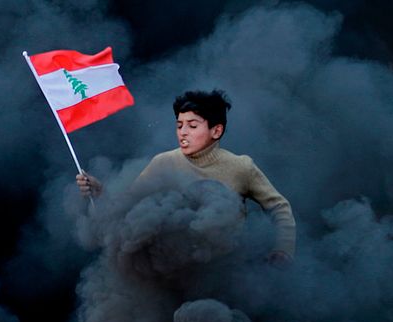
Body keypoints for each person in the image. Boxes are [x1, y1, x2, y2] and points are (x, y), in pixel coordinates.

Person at [77, 89, 295, 264]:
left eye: (192, 126)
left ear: (216, 131)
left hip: (229, 271)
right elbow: (128, 207)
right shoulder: (164, 163)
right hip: (174, 273)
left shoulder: (241, 166)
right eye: (179, 125)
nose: (183, 132)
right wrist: (99, 191)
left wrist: (283, 249)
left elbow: (279, 207)